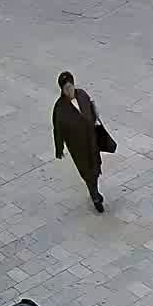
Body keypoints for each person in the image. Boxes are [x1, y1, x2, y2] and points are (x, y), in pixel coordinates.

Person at [52, 71, 108, 212]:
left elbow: (91, 109)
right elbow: (58, 130)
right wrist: (59, 149)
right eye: (66, 89)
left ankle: (94, 191)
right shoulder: (59, 108)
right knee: (87, 171)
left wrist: (96, 121)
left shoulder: (82, 94)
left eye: (71, 87)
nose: (69, 90)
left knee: (95, 167)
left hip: (91, 140)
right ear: (62, 90)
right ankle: (95, 196)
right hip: (78, 146)